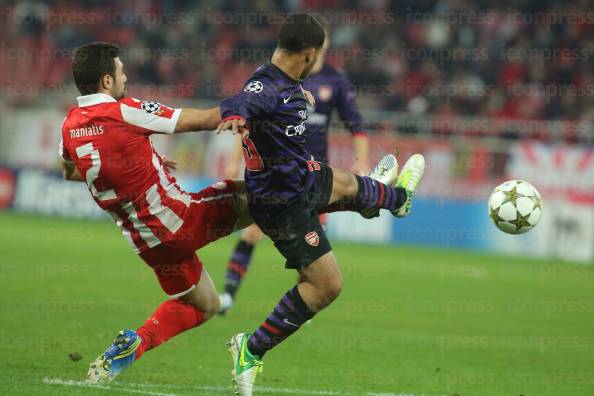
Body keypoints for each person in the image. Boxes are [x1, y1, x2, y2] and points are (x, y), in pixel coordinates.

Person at [217, 14, 425, 396]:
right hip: (282, 201)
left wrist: (298, 97)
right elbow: (243, 100)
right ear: (310, 54)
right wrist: (234, 116)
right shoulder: (265, 86)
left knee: (346, 183)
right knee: (327, 286)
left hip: (301, 176)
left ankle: (392, 197)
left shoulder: (287, 83)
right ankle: (250, 348)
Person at [59, 41, 253, 384]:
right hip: (181, 222)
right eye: (121, 71)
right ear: (106, 81)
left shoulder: (69, 126)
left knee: (204, 305)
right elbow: (202, 119)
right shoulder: (125, 110)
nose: (126, 77)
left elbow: (70, 170)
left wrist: (141, 163)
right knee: (267, 196)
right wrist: (253, 101)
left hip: (149, 245)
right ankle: (359, 194)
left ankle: (133, 345)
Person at [218, 32, 370, 314]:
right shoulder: (281, 76)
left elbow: (356, 124)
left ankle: (305, 304)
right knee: (252, 233)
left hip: (316, 174)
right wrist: (233, 160)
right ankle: (228, 295)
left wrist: (362, 161)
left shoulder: (336, 81)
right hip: (278, 174)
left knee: (314, 248)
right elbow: (249, 121)